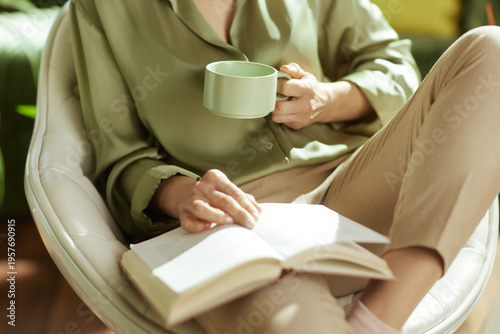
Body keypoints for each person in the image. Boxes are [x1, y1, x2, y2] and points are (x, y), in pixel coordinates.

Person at [69, 0, 500, 333]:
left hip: (357, 185)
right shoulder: (103, 9)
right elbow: (121, 160)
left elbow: (397, 69)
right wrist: (185, 194)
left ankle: (378, 319)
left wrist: (327, 99)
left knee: (491, 51)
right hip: (235, 226)